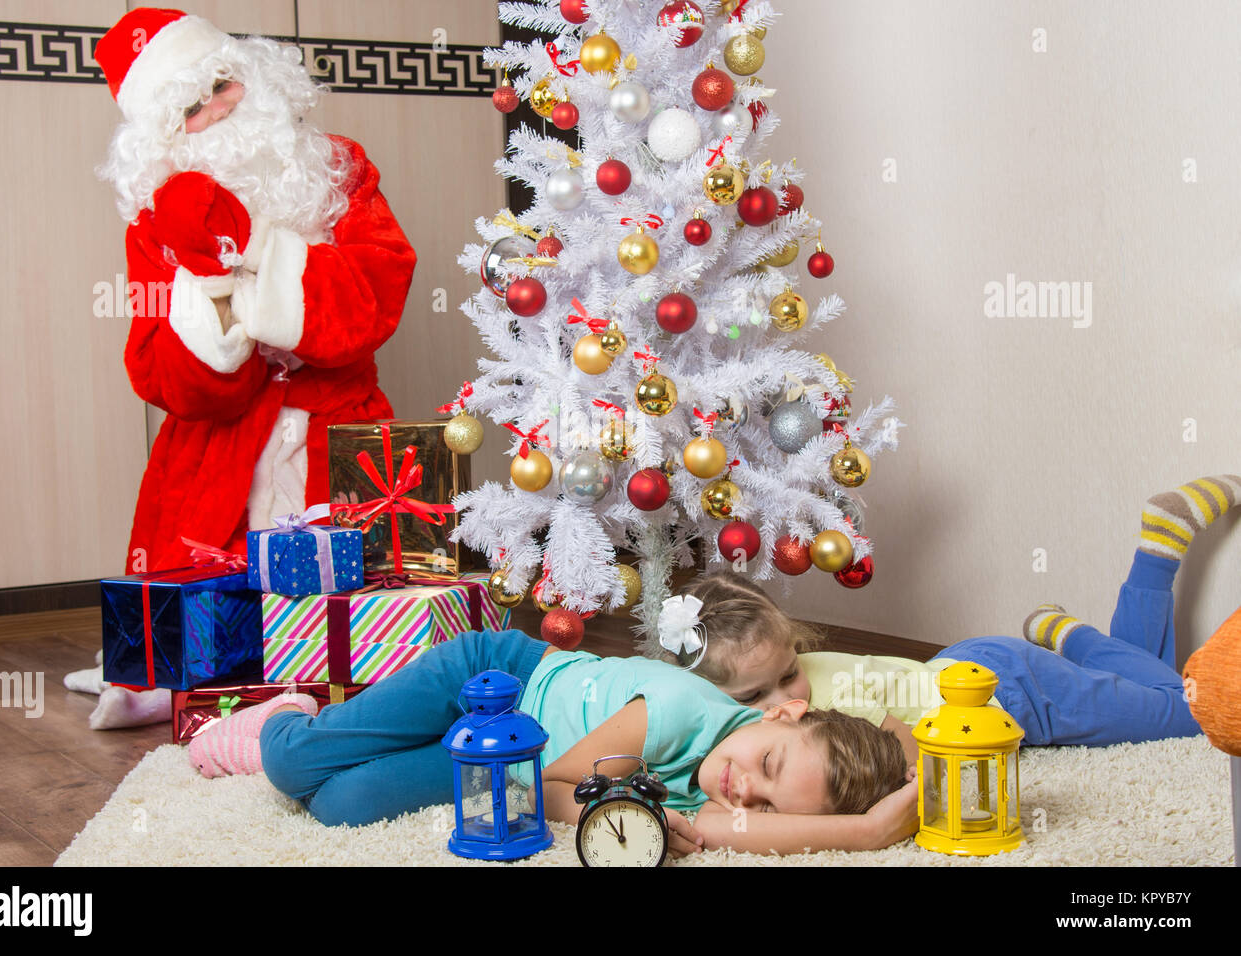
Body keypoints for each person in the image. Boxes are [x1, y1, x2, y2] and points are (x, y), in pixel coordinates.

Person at [95, 8, 417, 576]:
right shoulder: (154, 226)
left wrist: (258, 249)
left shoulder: (336, 168)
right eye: (191, 109)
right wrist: (214, 294)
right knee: (209, 637)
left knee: (361, 627)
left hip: (341, 432)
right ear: (165, 137)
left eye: (222, 85)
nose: (218, 109)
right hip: (213, 460)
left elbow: (378, 291)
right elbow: (163, 378)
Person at [650, 476, 1236, 761]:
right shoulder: (735, 725)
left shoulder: (821, 710)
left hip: (1015, 694)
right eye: (757, 693)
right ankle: (1142, 566)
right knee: (1152, 687)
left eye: (788, 673)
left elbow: (899, 758)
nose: (787, 697)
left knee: (1195, 714)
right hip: (968, 664)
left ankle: (1077, 634)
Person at [187, 631, 918, 856]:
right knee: (294, 765)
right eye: (765, 767)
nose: (741, 790)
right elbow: (551, 790)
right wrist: (628, 810)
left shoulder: (732, 784)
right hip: (490, 683)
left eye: (766, 801)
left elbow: (748, 827)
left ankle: (328, 744)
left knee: (341, 805)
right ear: (785, 714)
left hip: (505, 761)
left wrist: (868, 827)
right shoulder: (680, 711)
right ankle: (286, 716)